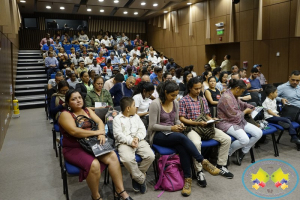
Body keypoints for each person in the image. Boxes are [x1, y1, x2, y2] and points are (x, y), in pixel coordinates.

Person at [148, 81, 220, 197]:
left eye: (176, 95)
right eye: (172, 95)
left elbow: (176, 120)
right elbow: (152, 126)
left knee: (183, 147)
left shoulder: (175, 103)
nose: (174, 98)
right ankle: (202, 161)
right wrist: (171, 128)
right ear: (165, 93)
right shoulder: (155, 104)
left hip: (172, 134)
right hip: (158, 135)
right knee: (182, 138)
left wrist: (179, 125)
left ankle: (188, 179)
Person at [58, 90, 133, 200]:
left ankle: (120, 191)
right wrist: (96, 132)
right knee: (94, 164)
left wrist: (102, 133)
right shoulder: (65, 114)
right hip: (74, 147)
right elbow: (74, 132)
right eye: (73, 99)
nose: (78, 100)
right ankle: (96, 196)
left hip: (91, 143)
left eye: (79, 97)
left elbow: (100, 122)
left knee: (112, 156)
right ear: (68, 103)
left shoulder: (87, 110)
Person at [179, 78, 233, 182]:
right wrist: (197, 123)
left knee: (226, 138)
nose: (198, 91)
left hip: (205, 126)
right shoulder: (183, 100)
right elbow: (182, 118)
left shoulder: (202, 99)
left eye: (200, 88)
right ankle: (199, 171)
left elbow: (207, 114)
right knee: (196, 143)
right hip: (192, 127)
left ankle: (221, 165)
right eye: (196, 89)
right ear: (190, 88)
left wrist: (212, 119)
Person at [113, 97, 155, 194]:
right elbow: (118, 135)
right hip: (124, 143)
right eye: (134, 105)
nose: (135, 108)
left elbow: (142, 130)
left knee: (150, 156)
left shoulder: (136, 116)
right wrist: (130, 141)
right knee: (127, 159)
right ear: (128, 108)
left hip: (138, 140)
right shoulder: (117, 119)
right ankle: (141, 179)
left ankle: (135, 176)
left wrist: (137, 138)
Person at [216, 79, 263, 166]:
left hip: (238, 121)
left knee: (258, 132)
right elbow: (233, 115)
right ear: (237, 88)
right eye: (242, 91)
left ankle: (243, 151)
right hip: (226, 122)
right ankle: (227, 154)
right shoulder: (226, 97)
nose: (242, 93)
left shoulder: (233, 95)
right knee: (244, 140)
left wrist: (251, 107)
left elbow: (242, 104)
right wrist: (245, 112)